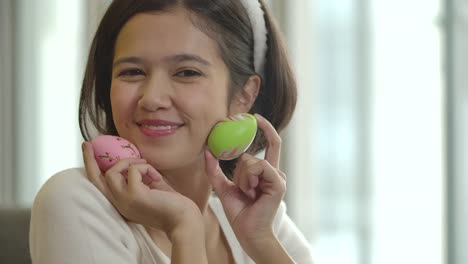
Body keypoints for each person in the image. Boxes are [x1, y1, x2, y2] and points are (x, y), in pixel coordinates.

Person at [29, 0, 314, 263]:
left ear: (244, 95)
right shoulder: (75, 202)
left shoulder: (260, 222)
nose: (152, 98)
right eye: (132, 72)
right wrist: (185, 228)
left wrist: (260, 240)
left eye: (186, 72)